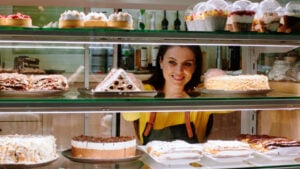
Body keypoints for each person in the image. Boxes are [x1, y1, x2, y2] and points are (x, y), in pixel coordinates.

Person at [122, 45, 223, 145]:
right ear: (161, 62)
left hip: (191, 161)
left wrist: (219, 79)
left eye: (187, 64)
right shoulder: (147, 91)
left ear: (195, 67)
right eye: (172, 62)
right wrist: (131, 87)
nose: (179, 71)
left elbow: (229, 107)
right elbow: (129, 115)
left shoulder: (201, 94)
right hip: (151, 161)